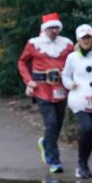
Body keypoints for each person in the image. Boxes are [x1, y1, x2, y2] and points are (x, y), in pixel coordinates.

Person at [18, 12, 74, 174]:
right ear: (44, 29)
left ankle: (46, 143)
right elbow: (22, 62)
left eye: (56, 28)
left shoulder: (67, 44)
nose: (54, 31)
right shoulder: (34, 44)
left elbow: (76, 60)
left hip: (61, 89)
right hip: (42, 89)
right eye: (51, 28)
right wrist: (29, 81)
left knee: (58, 124)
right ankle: (54, 160)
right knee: (51, 123)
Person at [62, 24, 92, 179]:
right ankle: (81, 164)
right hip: (79, 100)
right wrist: (70, 84)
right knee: (87, 127)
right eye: (83, 38)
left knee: (91, 132)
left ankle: (84, 164)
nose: (86, 40)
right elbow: (65, 76)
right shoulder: (72, 57)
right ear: (78, 39)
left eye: (88, 37)